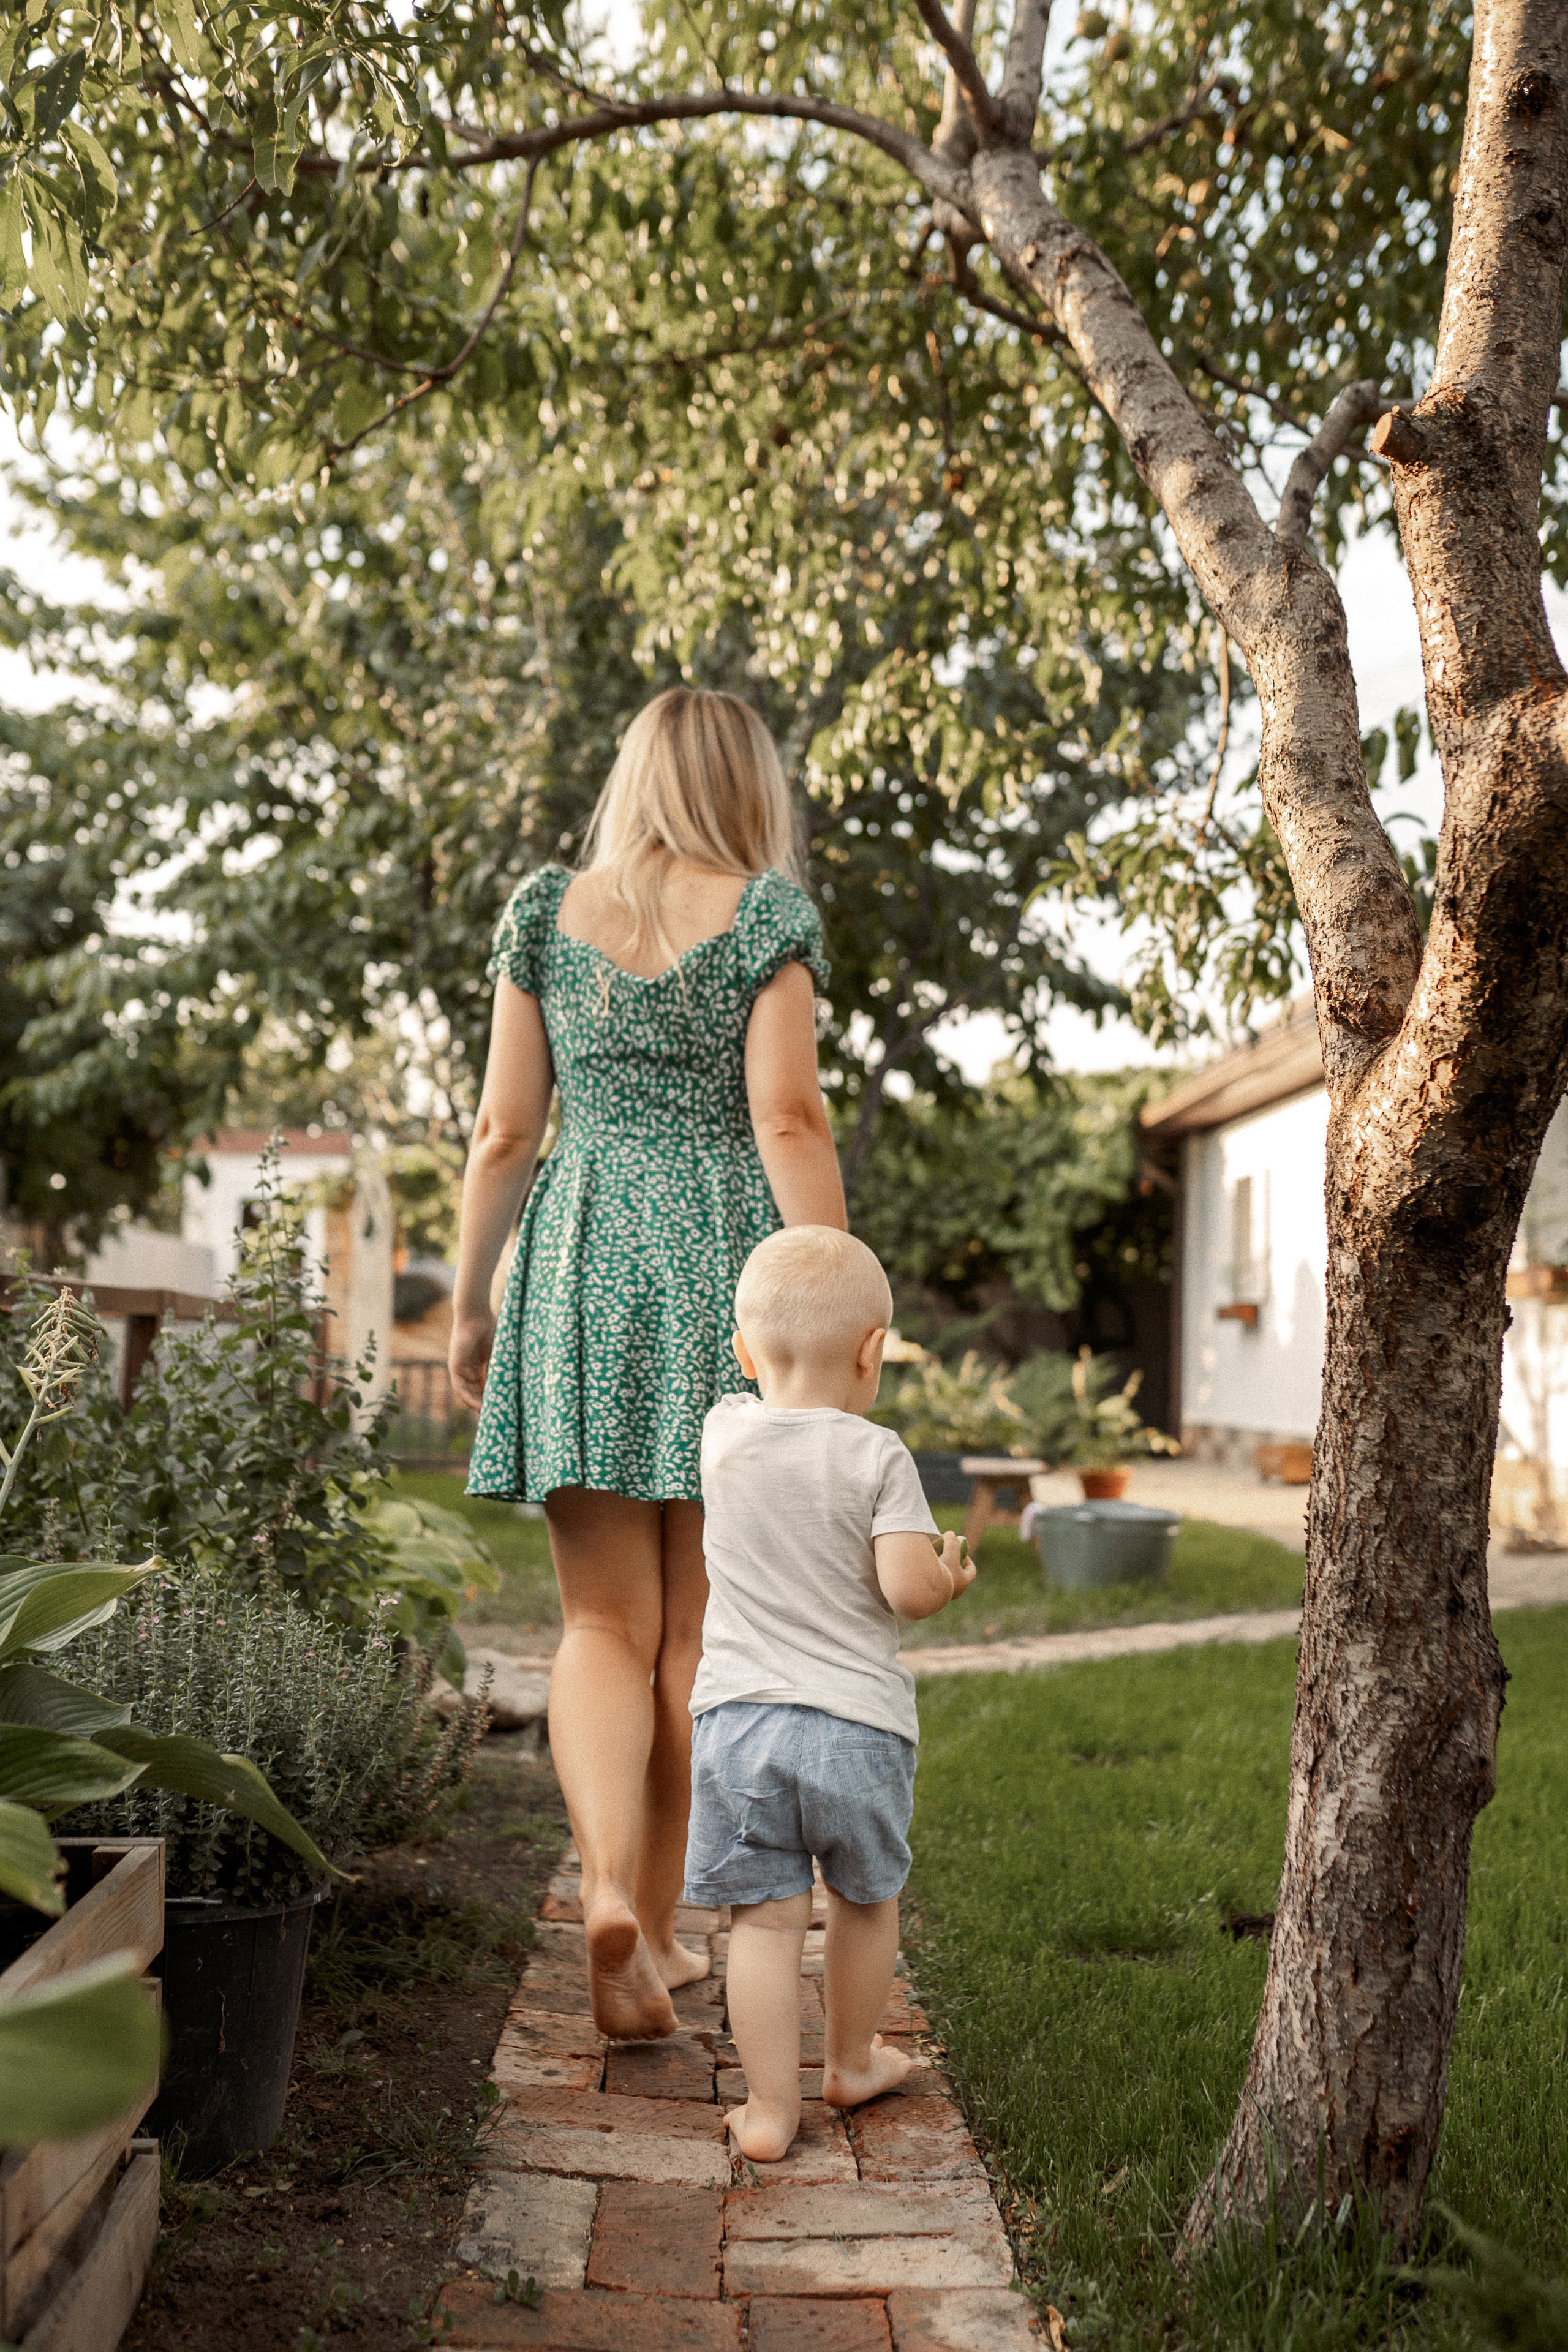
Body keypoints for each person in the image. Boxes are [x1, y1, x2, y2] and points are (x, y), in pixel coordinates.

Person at [448, 688, 845, 2043]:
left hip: (574, 1266)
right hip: (724, 1272)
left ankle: (614, 1896)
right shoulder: (766, 917)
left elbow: (505, 1130)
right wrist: (834, 1298)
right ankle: (664, 1932)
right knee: (697, 1635)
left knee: (598, 1626)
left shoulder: (540, 912)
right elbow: (786, 1114)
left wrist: (467, 1304)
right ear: (745, 785)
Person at [684, 1224, 978, 2161]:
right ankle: (851, 2061)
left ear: (743, 1353)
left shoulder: (722, 1436)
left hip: (737, 1724)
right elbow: (905, 1590)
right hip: (856, 1728)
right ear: (872, 1352)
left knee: (764, 1923)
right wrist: (949, 1574)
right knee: (863, 1898)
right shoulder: (877, 1455)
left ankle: (770, 2113)